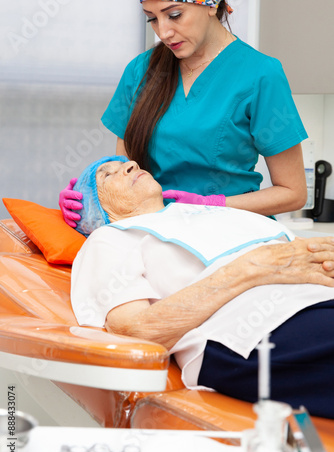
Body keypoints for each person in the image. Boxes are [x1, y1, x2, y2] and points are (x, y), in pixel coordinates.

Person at [71, 156, 334, 419]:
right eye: (107, 175)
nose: (130, 165)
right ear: (98, 211)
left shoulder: (214, 213)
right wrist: (252, 268)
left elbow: (304, 252)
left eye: (127, 163)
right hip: (251, 330)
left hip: (317, 298)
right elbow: (134, 331)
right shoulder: (109, 237)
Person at [60, 0, 308, 229]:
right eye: (152, 19)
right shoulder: (140, 71)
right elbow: (125, 172)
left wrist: (211, 205)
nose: (164, 32)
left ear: (212, 5)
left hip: (233, 232)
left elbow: (293, 193)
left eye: (174, 15)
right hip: (156, 234)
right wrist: (87, 200)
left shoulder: (261, 74)